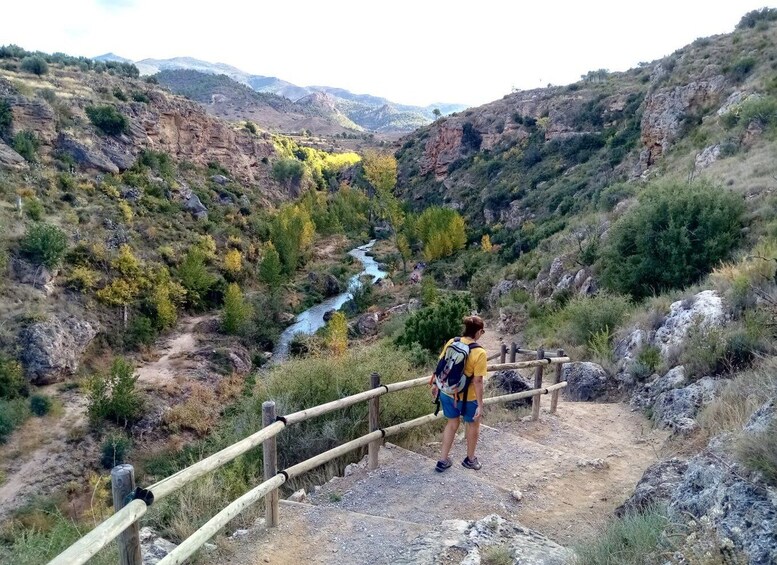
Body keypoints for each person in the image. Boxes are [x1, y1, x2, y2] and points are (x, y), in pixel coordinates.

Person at [432, 315, 487, 472]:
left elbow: (441, 364)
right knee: (472, 424)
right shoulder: (480, 353)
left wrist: (436, 385)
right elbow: (477, 381)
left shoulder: (453, 341)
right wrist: (480, 405)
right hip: (468, 398)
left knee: (452, 423)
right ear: (479, 332)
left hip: (447, 392)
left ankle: (443, 460)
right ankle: (470, 459)